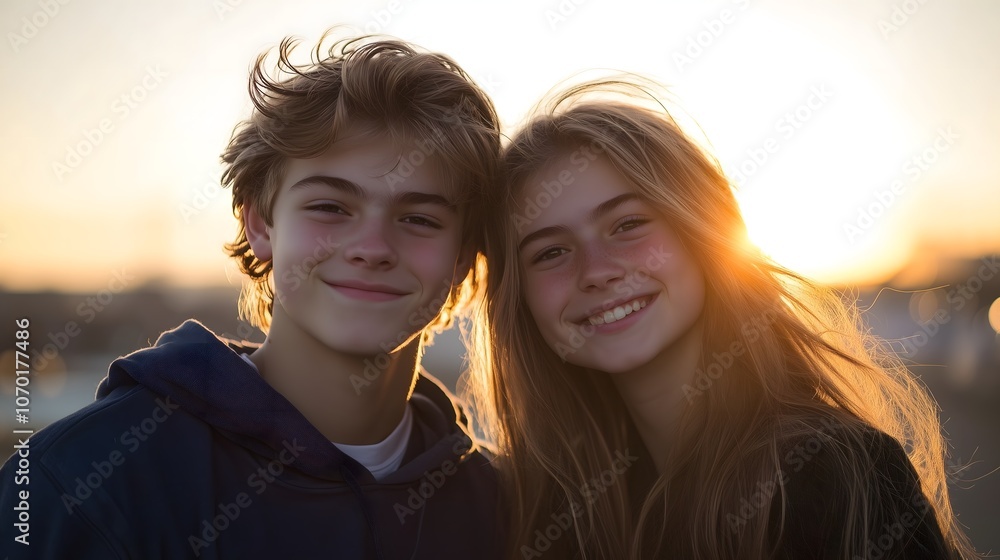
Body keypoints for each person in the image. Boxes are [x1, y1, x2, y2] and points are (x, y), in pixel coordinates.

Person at [0, 32, 504, 559]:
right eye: (330, 207)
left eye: (419, 218)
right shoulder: (81, 484)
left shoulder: (503, 508)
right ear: (261, 224)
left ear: (464, 258)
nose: (373, 248)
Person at [466, 79, 978, 559]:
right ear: (519, 301)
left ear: (703, 232)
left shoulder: (833, 473)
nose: (596, 271)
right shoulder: (543, 506)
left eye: (627, 224)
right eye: (550, 252)